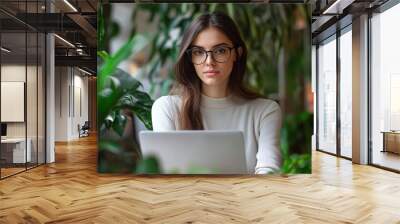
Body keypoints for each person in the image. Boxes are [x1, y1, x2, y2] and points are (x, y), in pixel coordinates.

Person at [151, 12, 282, 174]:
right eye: (198, 52)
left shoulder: (265, 111)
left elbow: (269, 171)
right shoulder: (167, 108)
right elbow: (168, 175)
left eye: (220, 50)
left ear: (237, 53)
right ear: (190, 58)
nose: (209, 61)